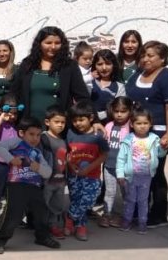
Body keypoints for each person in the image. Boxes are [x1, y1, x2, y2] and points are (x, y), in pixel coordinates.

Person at [124, 40, 168, 228]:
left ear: (162, 58)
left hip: (158, 133)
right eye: (143, 55)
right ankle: (140, 210)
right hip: (137, 132)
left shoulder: (167, 77)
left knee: (155, 173)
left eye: (150, 55)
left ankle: (158, 214)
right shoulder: (138, 74)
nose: (145, 59)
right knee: (137, 171)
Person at [0, 116, 60, 254]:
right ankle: (0, 239)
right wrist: (11, 159)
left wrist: (38, 167)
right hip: (16, 184)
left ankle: (42, 237)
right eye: (31, 134)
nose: (35, 138)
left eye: (38, 135)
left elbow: (47, 173)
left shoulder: (38, 153)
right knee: (14, 214)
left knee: (41, 212)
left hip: (34, 186)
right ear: (22, 133)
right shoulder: (16, 143)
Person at [11, 26, 89, 123]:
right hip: (30, 126)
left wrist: (94, 121)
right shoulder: (28, 64)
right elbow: (14, 92)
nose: (53, 47)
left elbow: (83, 97)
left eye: (57, 43)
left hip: (58, 127)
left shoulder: (69, 66)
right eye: (48, 43)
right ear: (40, 44)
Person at [116, 108, 167, 234]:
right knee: (130, 200)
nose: (142, 126)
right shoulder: (128, 140)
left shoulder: (154, 139)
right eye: (139, 123)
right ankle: (127, 220)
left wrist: (163, 148)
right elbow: (121, 158)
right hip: (130, 177)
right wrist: (120, 174)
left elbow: (160, 155)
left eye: (145, 123)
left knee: (143, 201)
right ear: (132, 125)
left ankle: (142, 222)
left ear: (150, 124)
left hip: (146, 177)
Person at [65, 101, 108, 241]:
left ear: (90, 118)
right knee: (76, 199)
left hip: (92, 175)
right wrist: (71, 165)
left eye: (81, 119)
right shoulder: (70, 133)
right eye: (75, 120)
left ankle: (69, 217)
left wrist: (88, 168)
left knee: (89, 200)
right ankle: (80, 227)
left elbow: (104, 155)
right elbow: (66, 153)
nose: (78, 123)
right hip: (73, 175)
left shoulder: (98, 135)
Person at [101, 97, 133, 228]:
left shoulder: (132, 126)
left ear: (130, 111)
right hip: (109, 166)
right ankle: (107, 214)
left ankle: (126, 217)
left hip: (125, 169)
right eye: (116, 111)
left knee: (126, 193)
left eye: (123, 111)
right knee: (109, 192)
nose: (119, 114)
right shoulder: (108, 126)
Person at [42, 106, 69, 239]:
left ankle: (54, 226)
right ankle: (42, 227)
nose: (60, 125)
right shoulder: (43, 138)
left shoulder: (63, 140)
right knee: (44, 204)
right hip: (46, 180)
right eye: (56, 122)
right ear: (47, 122)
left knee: (57, 204)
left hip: (60, 180)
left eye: (62, 122)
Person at [90, 49, 126, 123]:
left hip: (109, 126)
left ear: (113, 65)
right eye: (100, 64)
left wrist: (98, 116)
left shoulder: (119, 87)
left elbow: (118, 108)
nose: (104, 68)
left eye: (108, 63)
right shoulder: (89, 83)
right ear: (94, 66)